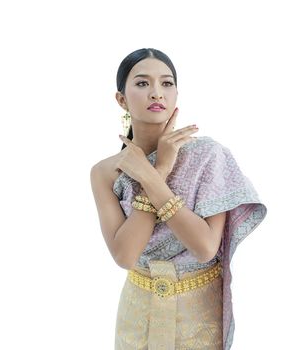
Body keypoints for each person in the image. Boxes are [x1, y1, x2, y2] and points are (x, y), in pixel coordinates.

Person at [89, 48, 267, 350]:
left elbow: (205, 248)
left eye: (167, 83)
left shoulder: (209, 156)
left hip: (198, 314)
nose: (156, 93)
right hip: (137, 314)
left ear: (176, 94)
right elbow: (125, 256)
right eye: (142, 83)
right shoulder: (105, 172)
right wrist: (158, 169)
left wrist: (153, 175)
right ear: (121, 99)